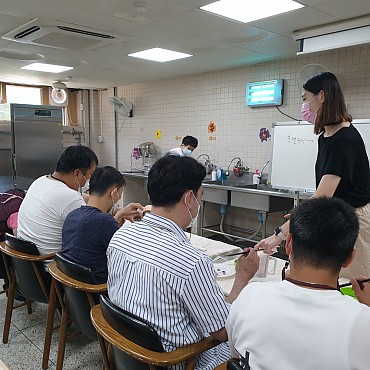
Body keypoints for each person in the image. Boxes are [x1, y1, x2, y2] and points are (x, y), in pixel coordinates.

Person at [107, 155, 259, 370]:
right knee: (253, 344)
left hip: (128, 350)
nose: (199, 203)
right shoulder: (190, 261)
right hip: (177, 361)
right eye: (200, 196)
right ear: (189, 198)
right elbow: (223, 331)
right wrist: (242, 278)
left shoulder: (121, 236)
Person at [227, 197, 370, 370]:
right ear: (349, 258)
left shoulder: (250, 296)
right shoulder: (362, 322)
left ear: (288, 244)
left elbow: (235, 353)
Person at [255, 72, 370, 278]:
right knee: (328, 278)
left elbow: (322, 196)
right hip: (335, 213)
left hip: (354, 219)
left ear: (322, 97)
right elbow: (323, 195)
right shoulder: (326, 135)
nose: (305, 106)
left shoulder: (345, 139)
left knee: (352, 282)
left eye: (306, 99)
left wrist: (279, 235)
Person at [61, 166, 144, 283]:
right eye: (120, 194)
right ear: (114, 193)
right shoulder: (104, 222)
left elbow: (97, 233)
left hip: (74, 292)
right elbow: (131, 254)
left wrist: (119, 215)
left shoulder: (72, 215)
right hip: (98, 291)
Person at [17, 145, 98, 256]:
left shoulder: (40, 181)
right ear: (77, 173)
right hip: (52, 266)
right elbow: (93, 234)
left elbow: (65, 198)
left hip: (26, 263)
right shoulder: (70, 198)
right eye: (90, 174)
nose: (88, 181)